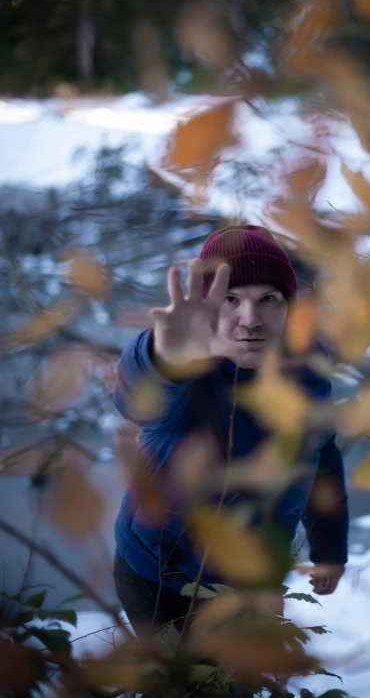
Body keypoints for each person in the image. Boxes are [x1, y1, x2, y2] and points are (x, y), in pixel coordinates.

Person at [113, 225, 348, 636]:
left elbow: (322, 457)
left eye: (268, 300)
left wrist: (328, 547)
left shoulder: (309, 372)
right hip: (157, 576)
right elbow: (137, 401)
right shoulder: (187, 368)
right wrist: (162, 357)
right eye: (231, 300)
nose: (251, 320)